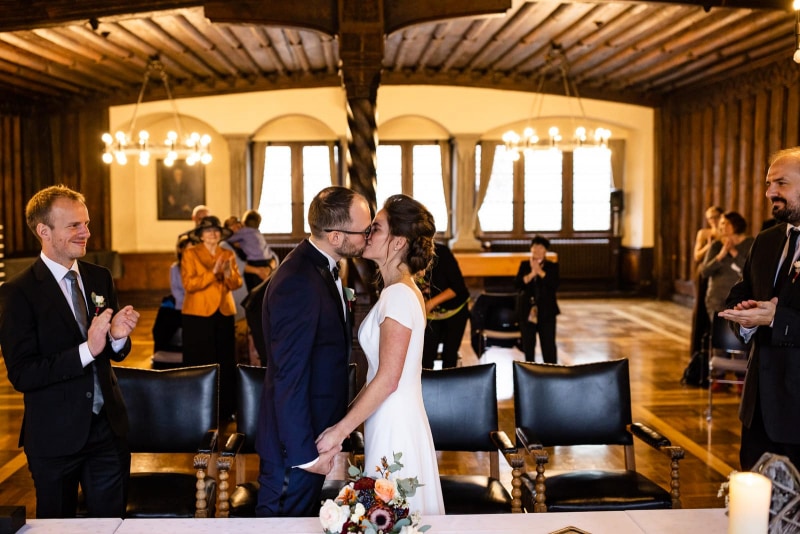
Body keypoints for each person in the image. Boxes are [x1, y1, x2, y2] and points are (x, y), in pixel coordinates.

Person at [0, 185, 140, 518]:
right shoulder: (17, 293)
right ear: (43, 231)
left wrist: (118, 339)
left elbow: (114, 352)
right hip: (54, 438)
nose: (86, 233)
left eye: (86, 224)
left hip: (108, 432)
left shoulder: (99, 277)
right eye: (74, 226)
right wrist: (87, 350)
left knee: (111, 525)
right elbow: (23, 373)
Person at [315, 194, 445, 516]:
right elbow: (379, 376)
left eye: (377, 228)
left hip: (395, 423)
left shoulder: (399, 295)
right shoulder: (399, 290)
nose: (368, 234)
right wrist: (346, 418)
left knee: (392, 514)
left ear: (398, 242)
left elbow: (388, 379)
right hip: (388, 416)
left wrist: (339, 431)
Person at [255, 186, 372, 517]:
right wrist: (305, 456)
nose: (367, 235)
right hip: (294, 447)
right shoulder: (298, 281)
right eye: (363, 230)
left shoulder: (322, 266)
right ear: (336, 236)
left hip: (313, 435)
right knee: (280, 525)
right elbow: (287, 375)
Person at [720, 147, 800, 471]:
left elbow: (779, 317)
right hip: (758, 411)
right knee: (756, 512)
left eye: (781, 183)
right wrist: (746, 318)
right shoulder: (766, 240)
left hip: (798, 409)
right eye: (769, 184)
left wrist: (776, 319)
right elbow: (737, 296)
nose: (770, 193)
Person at [180, 215, 242, 420]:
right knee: (200, 360)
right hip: (198, 314)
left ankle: (226, 409)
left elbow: (236, 283)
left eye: (216, 230)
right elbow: (189, 284)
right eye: (208, 231)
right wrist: (212, 273)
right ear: (200, 235)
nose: (213, 234)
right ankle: (197, 407)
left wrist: (226, 274)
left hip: (224, 312)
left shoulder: (227, 253)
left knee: (225, 360)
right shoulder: (190, 253)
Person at [698, 211, 753, 392]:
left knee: (740, 334)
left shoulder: (750, 244)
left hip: (740, 300)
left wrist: (733, 252)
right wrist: (721, 255)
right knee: (718, 335)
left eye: (725, 224)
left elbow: (750, 269)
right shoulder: (715, 246)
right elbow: (704, 271)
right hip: (715, 298)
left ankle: (741, 376)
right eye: (720, 225)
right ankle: (719, 377)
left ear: (736, 225)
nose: (721, 228)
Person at [420, 241, 470, 369]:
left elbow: (457, 287)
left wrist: (430, 303)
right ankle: (427, 388)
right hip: (431, 315)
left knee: (449, 357)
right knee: (426, 357)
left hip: (454, 311)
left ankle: (448, 387)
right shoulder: (407, 254)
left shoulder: (442, 252)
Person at [514, 235, 560, 364]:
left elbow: (554, 285)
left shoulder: (552, 266)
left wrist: (540, 272)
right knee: (528, 345)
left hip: (547, 312)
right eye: (534, 246)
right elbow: (517, 284)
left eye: (540, 247)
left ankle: (551, 371)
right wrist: (531, 274)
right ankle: (529, 371)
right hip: (527, 310)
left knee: (548, 344)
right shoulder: (524, 265)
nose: (537, 250)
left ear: (545, 250)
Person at [689, 206, 724, 359]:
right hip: (704, 272)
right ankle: (699, 348)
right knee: (701, 305)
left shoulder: (725, 232)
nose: (713, 220)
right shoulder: (704, 233)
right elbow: (697, 256)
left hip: (721, 274)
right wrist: (709, 246)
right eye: (709, 217)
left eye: (715, 216)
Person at [224, 210, 278, 291]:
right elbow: (238, 265)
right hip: (241, 285)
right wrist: (260, 271)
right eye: (232, 225)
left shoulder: (244, 235)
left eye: (238, 223)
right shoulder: (225, 245)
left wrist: (268, 268)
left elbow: (274, 256)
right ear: (226, 230)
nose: (236, 226)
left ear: (243, 223)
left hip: (261, 266)